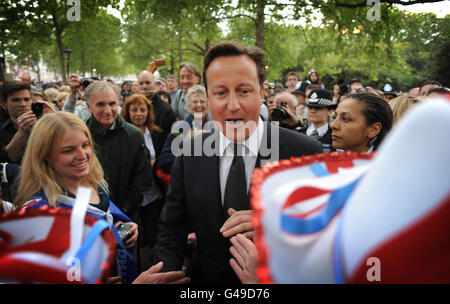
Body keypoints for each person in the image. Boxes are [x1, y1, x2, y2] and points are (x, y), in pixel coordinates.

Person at [153, 40, 323, 284]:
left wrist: (272, 227)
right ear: (208, 96)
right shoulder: (189, 152)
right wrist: (163, 274)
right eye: (221, 93)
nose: (233, 106)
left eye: (244, 91)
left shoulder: (304, 153)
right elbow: (171, 229)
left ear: (262, 92)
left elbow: (320, 237)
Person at [12, 111, 189, 284]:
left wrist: (124, 231)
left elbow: (105, 230)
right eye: (68, 150)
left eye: (85, 145)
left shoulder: (95, 186)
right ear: (44, 156)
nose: (82, 155)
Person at [85, 81, 153, 223]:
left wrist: (123, 211)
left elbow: (141, 179)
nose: (108, 110)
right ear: (88, 107)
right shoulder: (80, 136)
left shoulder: (134, 135)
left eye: (112, 104)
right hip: (91, 217)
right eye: (100, 104)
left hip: (126, 217)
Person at [120, 94, 167, 253]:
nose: (139, 113)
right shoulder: (121, 135)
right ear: (127, 112)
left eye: (142, 109)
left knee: (152, 228)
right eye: (134, 110)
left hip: (154, 192)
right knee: (129, 234)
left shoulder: (157, 133)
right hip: (130, 195)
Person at [158, 84, 212, 174]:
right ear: (188, 105)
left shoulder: (215, 127)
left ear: (208, 104)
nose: (199, 105)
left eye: (202, 101)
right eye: (194, 102)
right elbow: (164, 160)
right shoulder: (180, 128)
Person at [0, 81, 54, 163]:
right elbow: (5, 160)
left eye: (26, 99)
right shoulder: (3, 129)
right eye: (16, 100)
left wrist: (54, 118)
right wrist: (22, 133)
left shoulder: (44, 123)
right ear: (4, 105)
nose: (23, 104)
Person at [137, 70, 177, 139]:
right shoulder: (132, 107)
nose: (144, 86)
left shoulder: (166, 109)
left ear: (155, 84)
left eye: (147, 83)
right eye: (141, 83)